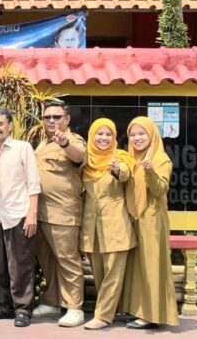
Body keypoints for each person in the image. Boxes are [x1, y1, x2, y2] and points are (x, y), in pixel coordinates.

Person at [0, 108, 40, 328]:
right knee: (0, 265)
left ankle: (23, 309)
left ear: (10, 126)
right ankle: (3, 307)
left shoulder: (22, 148)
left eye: (0, 124)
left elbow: (34, 183)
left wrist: (32, 214)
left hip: (20, 214)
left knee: (21, 265)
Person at [119, 116, 179, 329]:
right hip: (134, 218)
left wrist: (150, 170)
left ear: (152, 135)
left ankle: (152, 314)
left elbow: (160, 189)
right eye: (132, 134)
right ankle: (137, 309)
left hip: (151, 219)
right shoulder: (130, 157)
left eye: (141, 134)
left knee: (151, 265)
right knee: (137, 265)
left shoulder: (160, 158)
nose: (136, 138)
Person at [79, 118, 139, 330]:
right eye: (99, 134)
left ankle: (103, 316)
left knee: (113, 274)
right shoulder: (86, 161)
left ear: (114, 137)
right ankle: (110, 310)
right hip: (91, 226)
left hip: (116, 225)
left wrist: (116, 168)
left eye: (108, 135)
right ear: (92, 135)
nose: (103, 138)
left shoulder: (121, 157)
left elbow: (125, 173)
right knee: (98, 274)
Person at [33, 101, 87, 327]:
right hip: (40, 212)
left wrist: (64, 143)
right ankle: (53, 301)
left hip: (63, 213)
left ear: (67, 119)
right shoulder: (43, 143)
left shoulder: (72, 140)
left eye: (56, 117)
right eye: (47, 118)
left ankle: (75, 307)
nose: (52, 121)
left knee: (67, 261)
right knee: (48, 261)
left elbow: (78, 156)